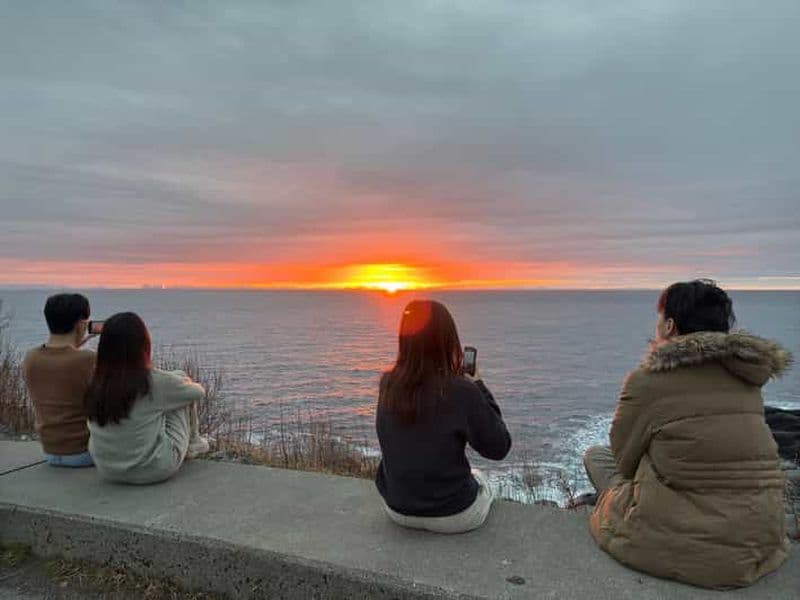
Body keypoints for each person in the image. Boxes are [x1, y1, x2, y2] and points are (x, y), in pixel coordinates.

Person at [584, 280, 791, 588]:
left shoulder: (649, 381)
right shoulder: (748, 377)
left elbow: (623, 463)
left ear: (669, 326)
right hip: (760, 539)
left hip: (685, 546)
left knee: (596, 456)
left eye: (659, 319)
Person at [375, 300, 511, 533]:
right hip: (453, 515)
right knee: (482, 479)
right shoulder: (460, 390)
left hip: (397, 509)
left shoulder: (389, 383)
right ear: (446, 340)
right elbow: (499, 447)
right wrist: (478, 385)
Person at [86, 312, 210, 484]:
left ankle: (194, 441)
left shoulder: (97, 381)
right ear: (143, 344)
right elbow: (198, 392)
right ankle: (194, 443)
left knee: (174, 385)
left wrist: (175, 378)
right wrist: (182, 379)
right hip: (154, 468)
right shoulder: (151, 381)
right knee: (181, 397)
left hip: (108, 469)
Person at [22, 293, 96, 467]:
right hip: (85, 452)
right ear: (81, 325)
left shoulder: (30, 358)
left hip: (50, 452)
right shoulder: (88, 359)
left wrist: (74, 346)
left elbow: (59, 365)